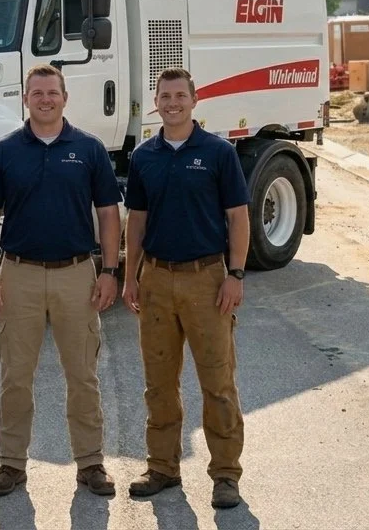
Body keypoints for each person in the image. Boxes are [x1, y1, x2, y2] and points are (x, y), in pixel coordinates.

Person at [0, 63, 122, 497]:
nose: (45, 99)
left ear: (65, 97)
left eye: (52, 92)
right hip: (18, 274)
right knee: (16, 376)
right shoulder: (3, 152)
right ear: (25, 98)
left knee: (82, 374)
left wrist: (110, 271)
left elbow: (109, 214)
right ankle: (11, 464)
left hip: (77, 274)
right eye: (36, 92)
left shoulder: (90, 149)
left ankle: (91, 463)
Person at [121, 67, 251, 509]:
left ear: (194, 101)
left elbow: (238, 217)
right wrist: (130, 278)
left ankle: (226, 474)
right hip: (155, 279)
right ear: (155, 101)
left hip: (207, 279)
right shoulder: (144, 157)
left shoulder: (218, 153)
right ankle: (162, 467)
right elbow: (135, 222)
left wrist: (235, 275)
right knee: (158, 382)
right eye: (165, 95)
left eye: (180, 95)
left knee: (217, 382)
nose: (172, 102)